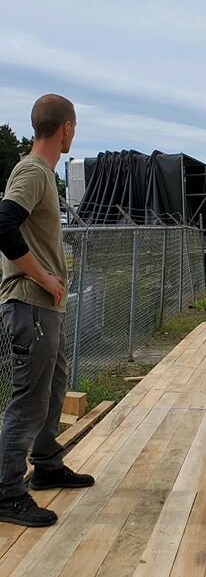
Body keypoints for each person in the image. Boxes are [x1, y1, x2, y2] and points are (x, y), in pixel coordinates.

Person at [0, 94, 94, 528]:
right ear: (66, 128)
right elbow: (3, 224)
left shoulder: (42, 174)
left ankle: (47, 463)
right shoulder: (33, 172)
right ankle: (6, 492)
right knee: (30, 399)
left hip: (45, 309)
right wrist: (43, 277)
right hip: (30, 304)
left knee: (53, 390)